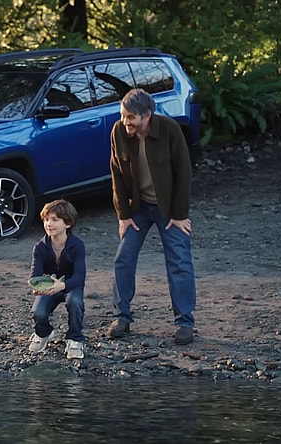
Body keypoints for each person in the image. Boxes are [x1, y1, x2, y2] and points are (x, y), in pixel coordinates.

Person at [106, 88, 197, 345]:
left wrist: (180, 215)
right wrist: (123, 215)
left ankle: (185, 322)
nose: (125, 122)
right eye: (123, 115)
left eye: (131, 117)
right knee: (123, 258)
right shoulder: (118, 131)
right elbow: (116, 173)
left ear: (147, 116)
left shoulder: (169, 130)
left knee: (179, 261)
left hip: (169, 210)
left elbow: (184, 173)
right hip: (138, 208)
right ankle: (122, 317)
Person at [28, 199, 87, 359]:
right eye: (46, 219)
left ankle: (75, 339)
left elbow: (80, 277)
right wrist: (37, 287)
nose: (49, 224)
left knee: (75, 303)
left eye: (54, 220)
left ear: (67, 223)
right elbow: (35, 274)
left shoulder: (77, 245)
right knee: (38, 312)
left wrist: (63, 285)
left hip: (70, 285)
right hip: (49, 286)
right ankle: (44, 333)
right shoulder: (40, 247)